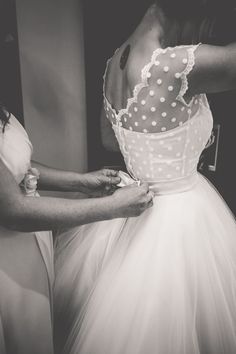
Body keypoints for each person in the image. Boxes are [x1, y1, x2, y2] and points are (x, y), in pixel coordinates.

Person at [54, 1, 236, 353]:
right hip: (182, 215)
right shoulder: (176, 63)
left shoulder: (114, 62)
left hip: (131, 205)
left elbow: (110, 140)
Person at [0, 104, 152, 354]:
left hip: (28, 239)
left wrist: (80, 182)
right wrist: (112, 207)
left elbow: (14, 166)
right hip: (8, 250)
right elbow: (12, 210)